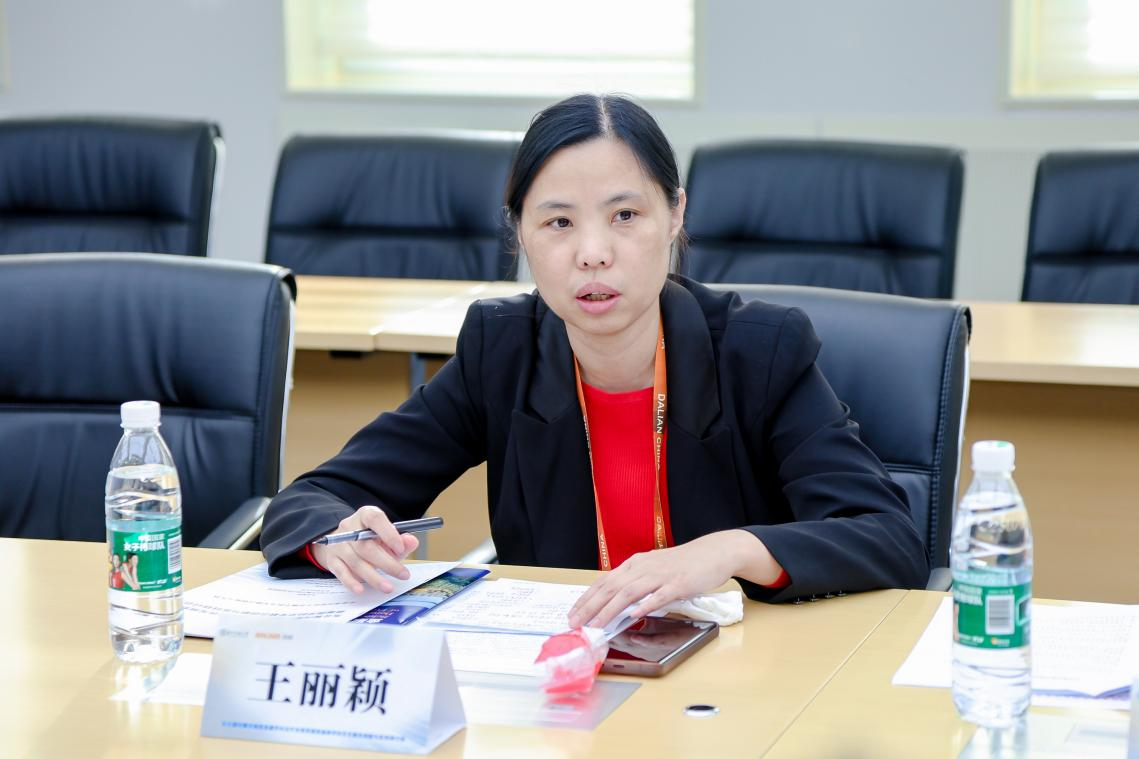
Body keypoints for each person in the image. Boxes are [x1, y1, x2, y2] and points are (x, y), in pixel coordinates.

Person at [261, 94, 929, 629]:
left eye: (625, 215)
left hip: (741, 684)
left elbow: (889, 537)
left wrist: (729, 550)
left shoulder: (760, 350)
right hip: (570, 682)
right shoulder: (502, 350)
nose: (592, 253)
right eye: (558, 222)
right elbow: (312, 499)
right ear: (519, 232)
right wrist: (335, 537)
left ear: (675, 215)